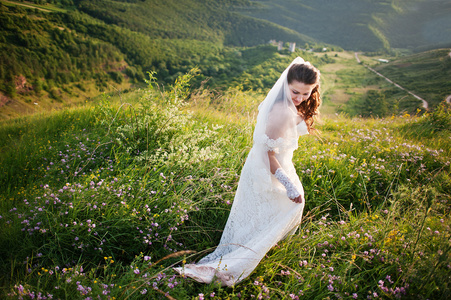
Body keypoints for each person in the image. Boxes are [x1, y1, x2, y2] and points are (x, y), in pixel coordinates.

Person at [174, 57, 321, 286]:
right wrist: (288, 184)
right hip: (267, 167)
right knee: (290, 205)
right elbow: (267, 153)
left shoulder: (291, 105)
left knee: (268, 212)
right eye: (295, 92)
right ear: (286, 84)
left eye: (306, 93)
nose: (300, 98)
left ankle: (261, 249)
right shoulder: (281, 110)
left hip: (277, 164)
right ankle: (239, 260)